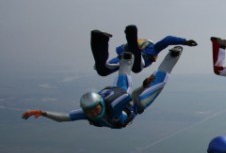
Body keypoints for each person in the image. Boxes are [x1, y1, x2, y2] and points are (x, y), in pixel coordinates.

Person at [22, 47, 183, 128]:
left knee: (155, 85)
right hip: (129, 104)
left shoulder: (113, 104)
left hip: (133, 103)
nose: (94, 113)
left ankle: (169, 57)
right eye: (91, 111)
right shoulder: (88, 113)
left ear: (100, 103)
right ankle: (128, 59)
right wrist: (43, 113)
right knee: (131, 84)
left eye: (95, 109)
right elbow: (64, 118)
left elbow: (132, 96)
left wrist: (144, 85)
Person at [90, 25, 196, 76]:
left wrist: (185, 42)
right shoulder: (153, 48)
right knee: (136, 68)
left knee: (102, 70)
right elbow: (167, 40)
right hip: (135, 58)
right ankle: (131, 32)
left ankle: (98, 38)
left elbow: (118, 50)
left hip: (123, 57)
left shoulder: (125, 49)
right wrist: (185, 42)